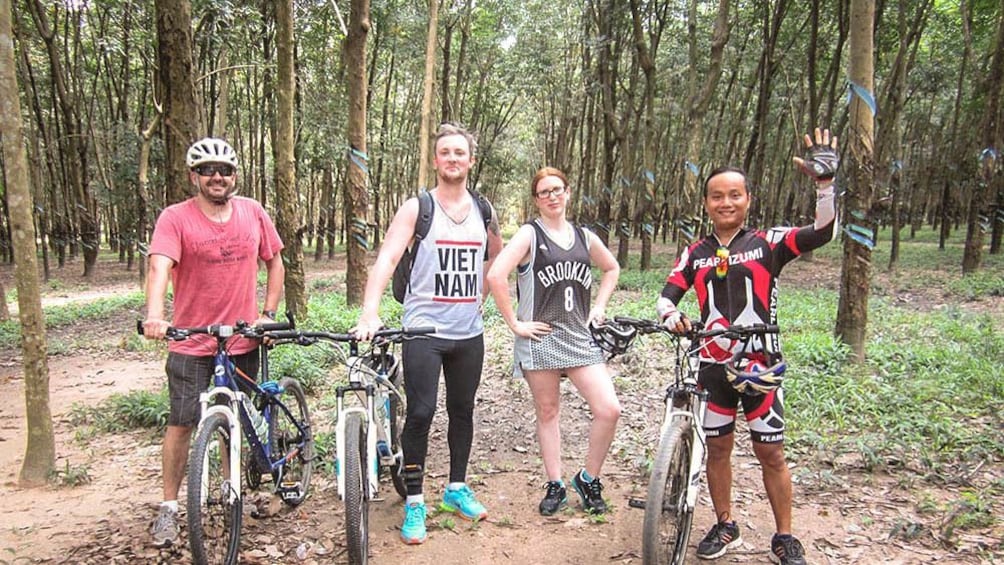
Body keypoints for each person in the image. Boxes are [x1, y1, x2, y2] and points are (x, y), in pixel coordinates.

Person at [657, 128, 839, 565]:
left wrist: (826, 185)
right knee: (717, 448)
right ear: (706, 203)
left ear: (748, 199)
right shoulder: (695, 252)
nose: (726, 203)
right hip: (712, 366)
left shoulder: (769, 243)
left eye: (734, 195)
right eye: (717, 196)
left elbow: (823, 231)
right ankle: (725, 524)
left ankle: (785, 536)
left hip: (760, 366)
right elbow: (667, 294)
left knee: (770, 451)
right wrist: (672, 316)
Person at [352, 123, 503, 545]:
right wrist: (370, 311)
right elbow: (386, 258)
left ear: (470, 161)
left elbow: (497, 256)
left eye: (460, 153)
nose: (453, 159)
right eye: (445, 153)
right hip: (422, 331)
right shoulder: (417, 208)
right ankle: (415, 500)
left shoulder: (484, 209)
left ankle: (456, 488)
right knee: (420, 412)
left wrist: (484, 294)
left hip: (468, 333)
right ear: (435, 161)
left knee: (463, 410)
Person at [141, 137, 285, 547]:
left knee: (233, 422)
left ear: (234, 176)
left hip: (242, 340)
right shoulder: (175, 218)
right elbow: (160, 267)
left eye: (224, 170)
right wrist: (156, 316)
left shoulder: (253, 212)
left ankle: (230, 491)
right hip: (192, 340)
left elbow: (275, 262)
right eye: (207, 170)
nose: (217, 176)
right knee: (182, 422)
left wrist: (268, 314)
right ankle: (169, 507)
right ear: (194, 177)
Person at [486, 167, 621, 516]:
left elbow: (612, 268)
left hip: (578, 336)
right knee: (548, 412)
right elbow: (496, 275)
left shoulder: (584, 236)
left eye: (557, 189)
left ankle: (588, 478)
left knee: (609, 409)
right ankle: (555, 483)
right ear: (536, 199)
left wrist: (601, 306)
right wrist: (515, 323)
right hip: (541, 337)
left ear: (568, 193)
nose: (552, 196)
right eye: (544, 192)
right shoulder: (530, 235)